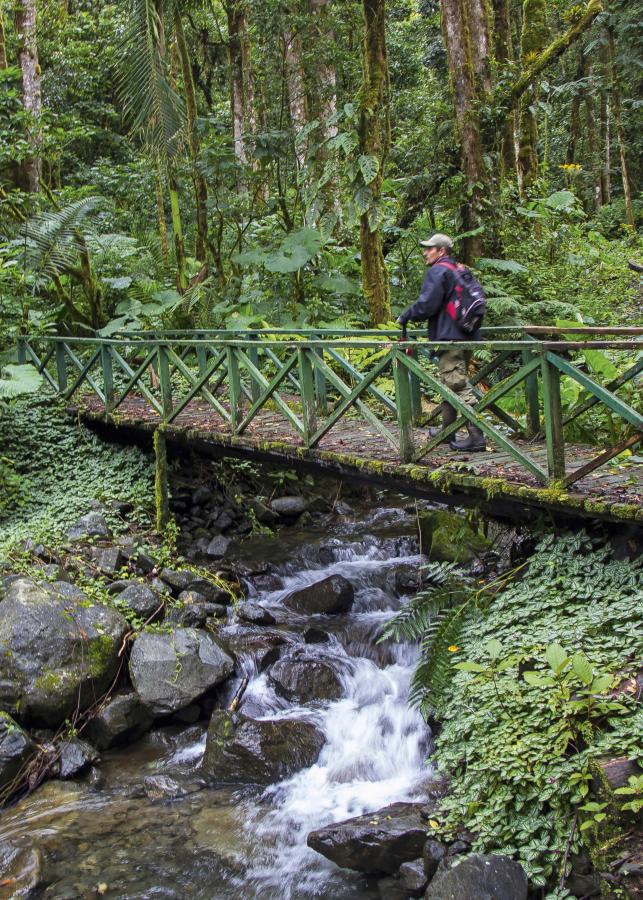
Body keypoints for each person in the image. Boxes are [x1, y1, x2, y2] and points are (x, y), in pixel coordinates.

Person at [396, 233, 486, 452]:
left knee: (456, 385)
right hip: (466, 335)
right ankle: (448, 430)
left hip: (450, 337)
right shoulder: (460, 269)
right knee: (450, 383)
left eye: (430, 248)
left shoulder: (439, 270)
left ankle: (477, 436)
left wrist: (406, 315)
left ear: (442, 251)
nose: (425, 252)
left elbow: (427, 304)